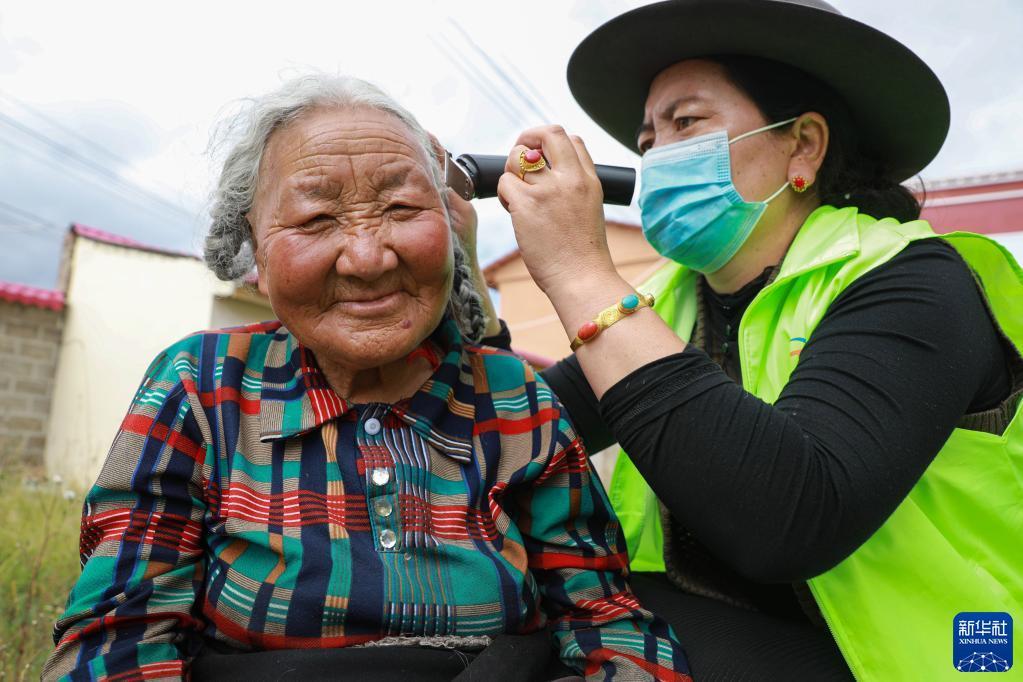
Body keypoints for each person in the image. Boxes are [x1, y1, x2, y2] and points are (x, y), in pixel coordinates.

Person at [42, 74, 693, 682]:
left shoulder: (515, 397)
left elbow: (607, 622)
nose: (367, 257)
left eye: (403, 208)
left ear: (448, 228)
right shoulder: (202, 385)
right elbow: (119, 637)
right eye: (316, 219)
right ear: (257, 250)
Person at [465, 1, 1023, 679]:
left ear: (802, 146)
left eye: (686, 123)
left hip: (927, 657)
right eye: (646, 140)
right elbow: (497, 438)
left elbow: (789, 522)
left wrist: (580, 274)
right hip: (725, 631)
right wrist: (452, 265)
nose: (654, 155)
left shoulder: (914, 283)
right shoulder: (669, 304)